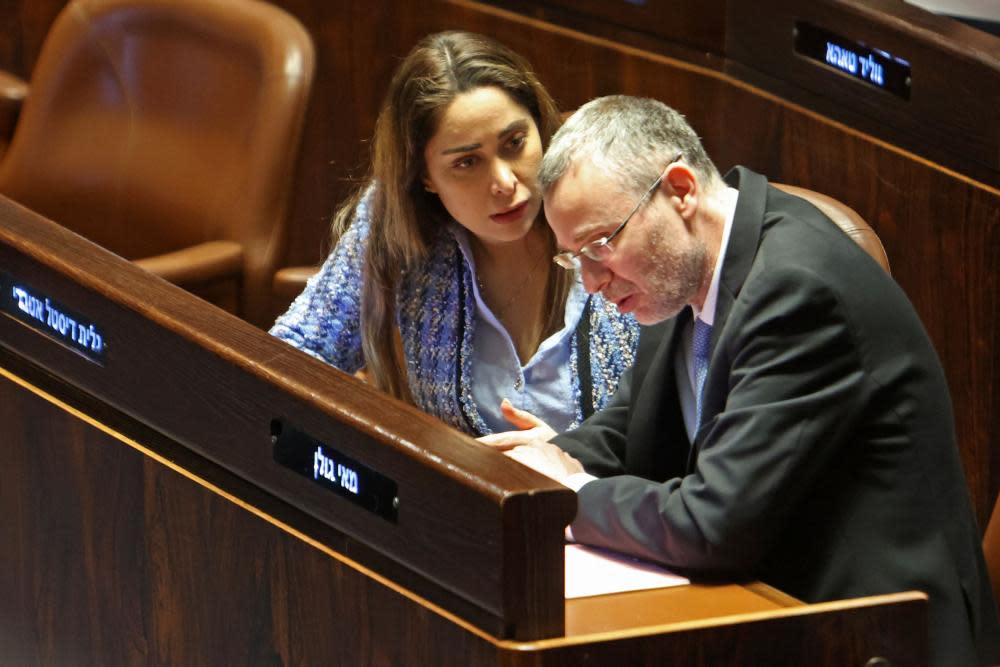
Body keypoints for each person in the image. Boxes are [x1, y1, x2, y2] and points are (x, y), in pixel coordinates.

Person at [487, 95, 1000, 665]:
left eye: (601, 246)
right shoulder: (686, 266)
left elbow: (713, 523)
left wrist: (569, 496)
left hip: (872, 633)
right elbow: (631, 425)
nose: (592, 280)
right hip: (774, 608)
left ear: (680, 191)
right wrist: (526, 470)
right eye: (574, 257)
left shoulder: (798, 291)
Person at [270, 32, 639, 437]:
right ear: (425, 176)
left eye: (515, 143)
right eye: (467, 162)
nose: (504, 181)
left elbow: (680, 430)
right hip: (455, 494)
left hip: (602, 495)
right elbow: (297, 353)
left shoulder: (613, 208)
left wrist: (572, 460)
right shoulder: (396, 223)